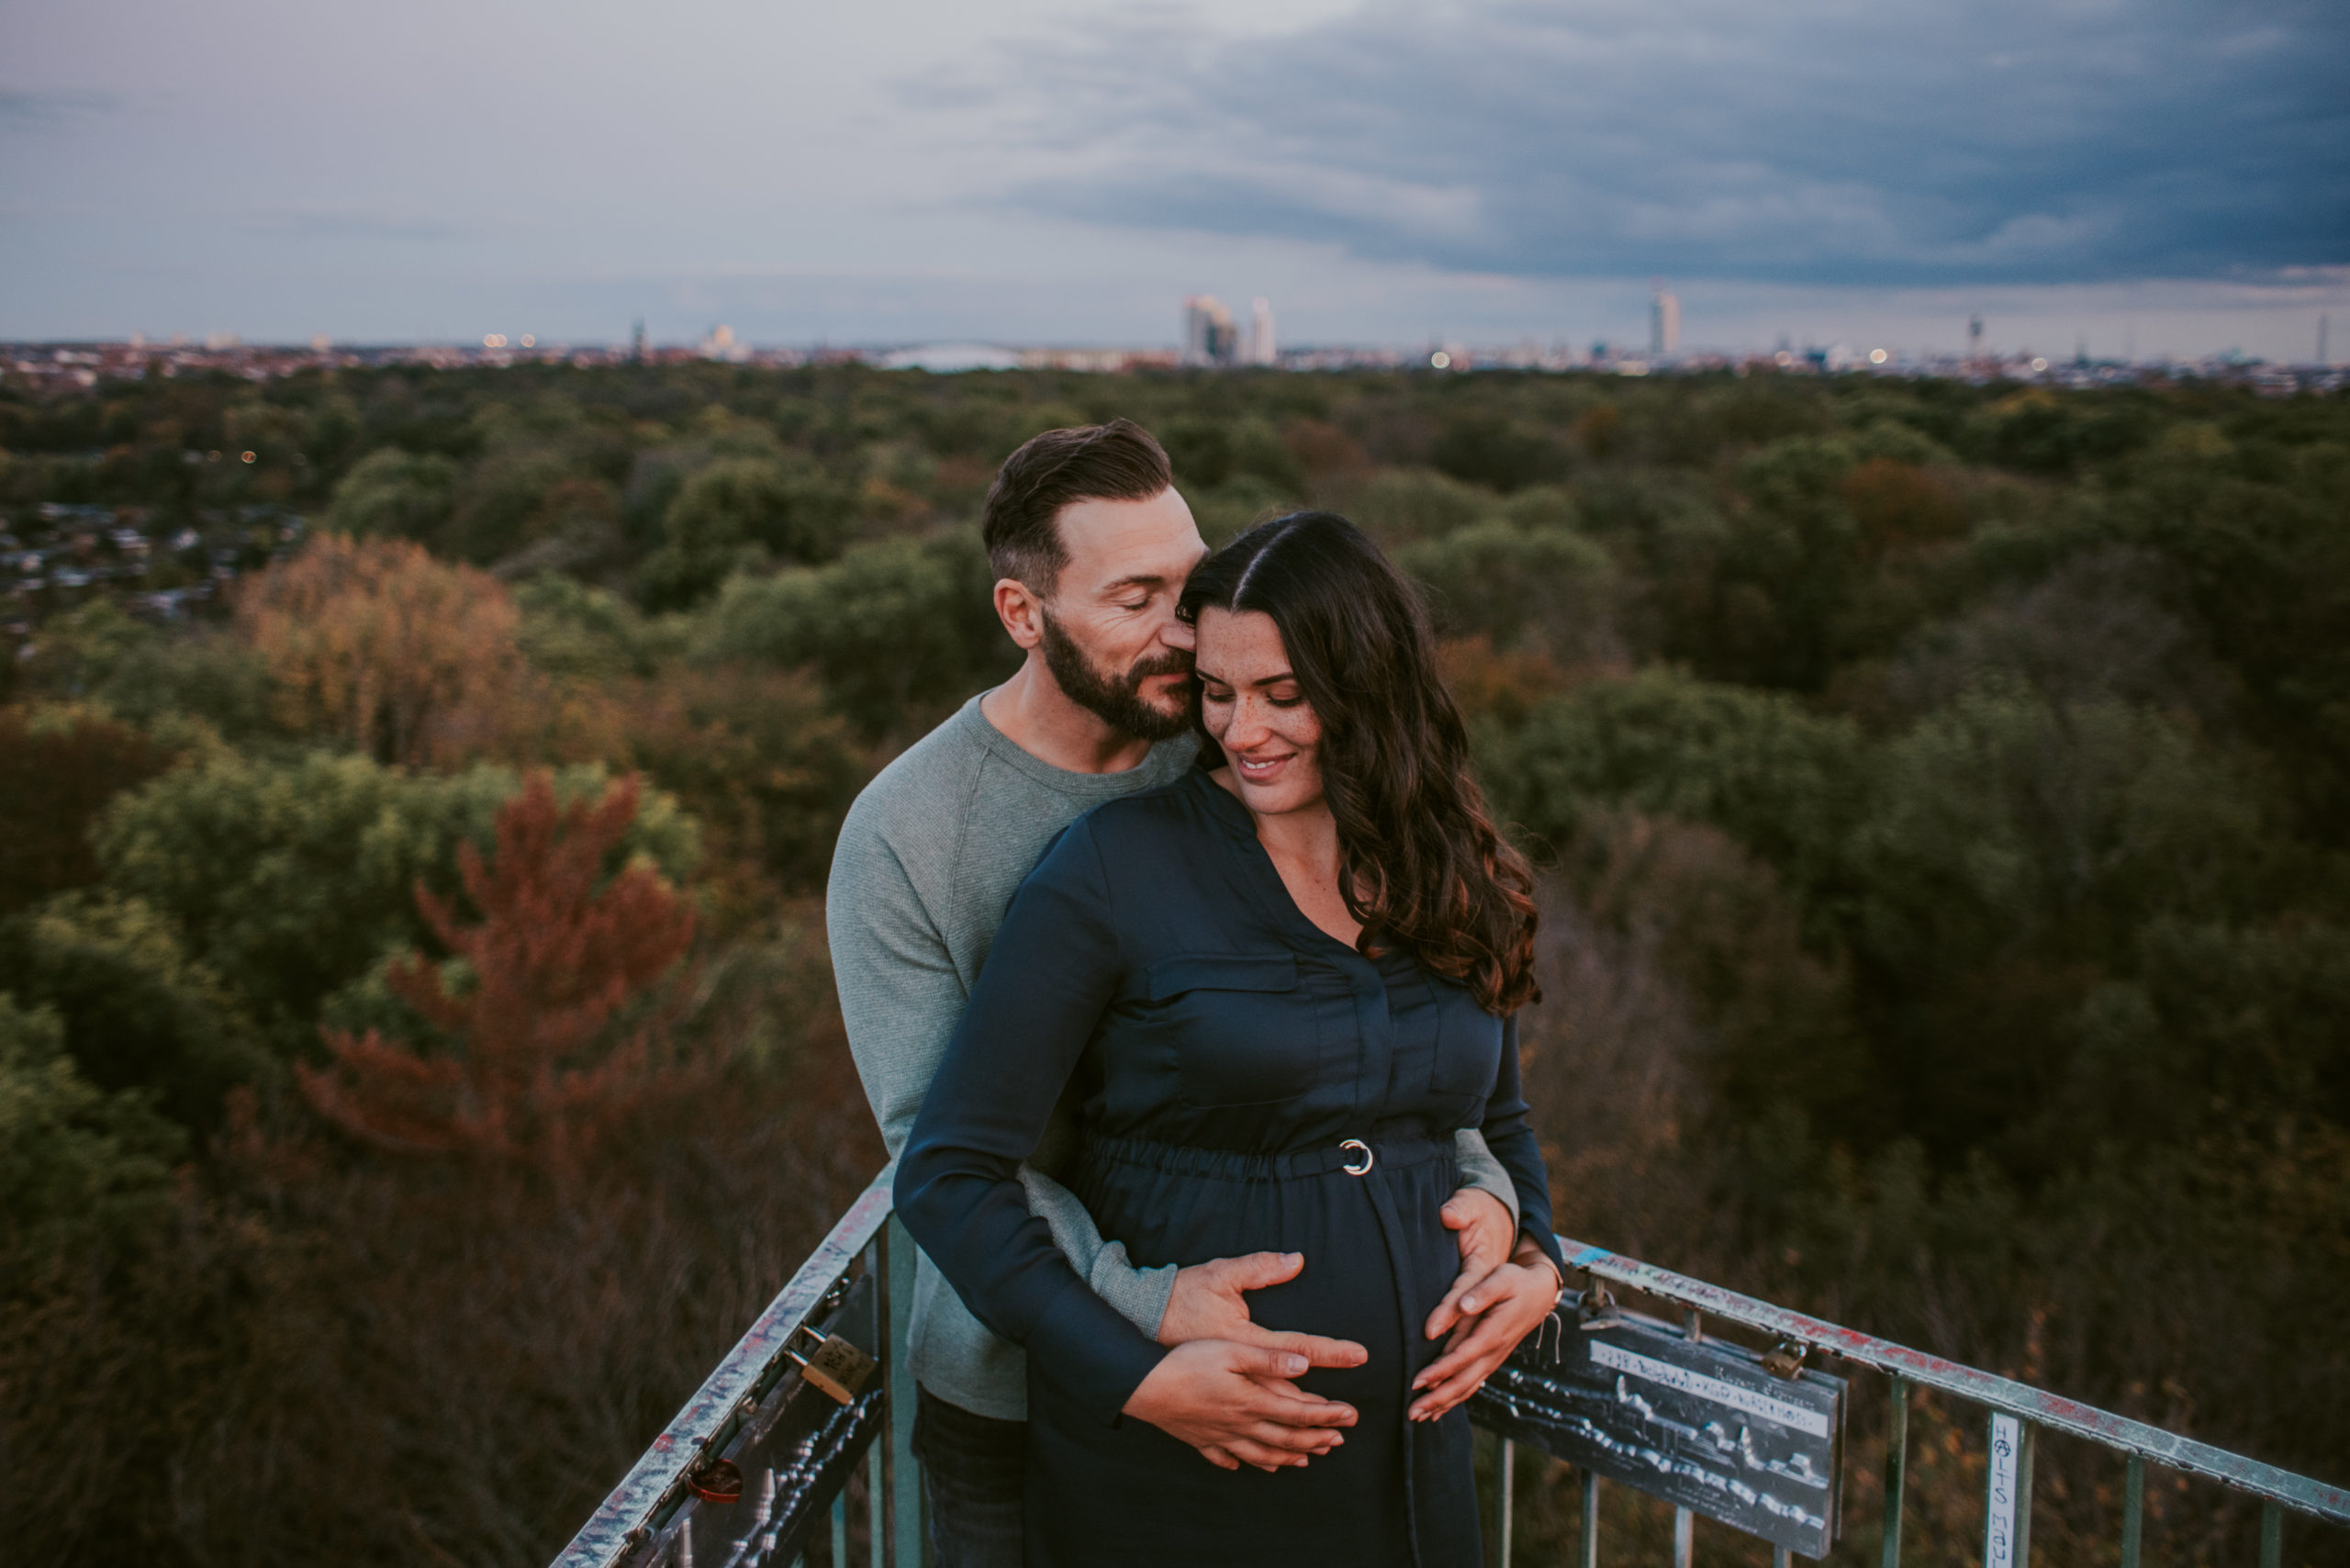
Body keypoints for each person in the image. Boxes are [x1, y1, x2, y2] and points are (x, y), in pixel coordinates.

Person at [828, 429, 1533, 1567]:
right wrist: (1144, 1316)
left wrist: (1502, 1210)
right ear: (1023, 612)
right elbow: (939, 1151)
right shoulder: (911, 833)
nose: (1183, 631)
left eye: (1189, 580)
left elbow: (1404, 1039)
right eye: (1137, 595)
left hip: (1324, 1425)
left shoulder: (1224, 746)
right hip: (1022, 1381)